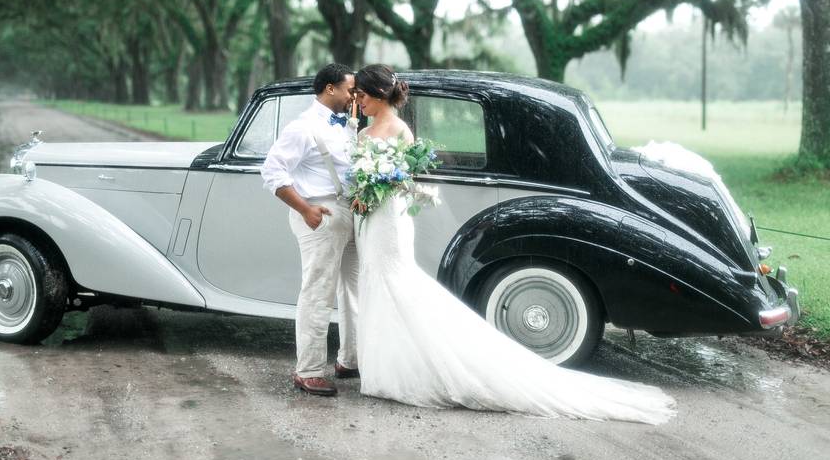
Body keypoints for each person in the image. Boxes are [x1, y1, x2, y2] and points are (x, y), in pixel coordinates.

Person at [350, 64, 676, 424]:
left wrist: (377, 186)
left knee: (394, 282)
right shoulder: (365, 133)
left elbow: (405, 180)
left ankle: (410, 369)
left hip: (391, 221)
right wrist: (361, 192)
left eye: (362, 95)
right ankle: (385, 364)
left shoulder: (400, 130)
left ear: (380, 95)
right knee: (374, 282)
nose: (358, 101)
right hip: (370, 218)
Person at [260, 63, 360, 396]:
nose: (353, 95)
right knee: (318, 292)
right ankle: (309, 371)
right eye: (349, 89)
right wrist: (304, 209)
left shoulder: (347, 123)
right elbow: (272, 172)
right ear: (330, 89)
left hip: (349, 212)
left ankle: (350, 359)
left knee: (354, 290)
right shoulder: (302, 127)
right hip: (320, 213)